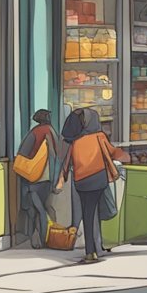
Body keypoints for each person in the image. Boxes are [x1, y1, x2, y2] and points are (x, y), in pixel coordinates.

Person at [57, 107, 121, 264]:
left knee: (87, 214)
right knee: (95, 213)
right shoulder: (99, 136)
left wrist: (61, 179)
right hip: (98, 180)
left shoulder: (73, 142)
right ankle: (93, 250)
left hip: (80, 182)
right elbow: (112, 152)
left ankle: (92, 250)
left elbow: (64, 160)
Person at [16, 110, 56, 249]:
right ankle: (43, 237)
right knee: (42, 208)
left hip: (34, 178)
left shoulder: (35, 132)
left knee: (36, 210)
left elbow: (23, 154)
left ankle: (37, 238)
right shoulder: (52, 131)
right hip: (47, 178)